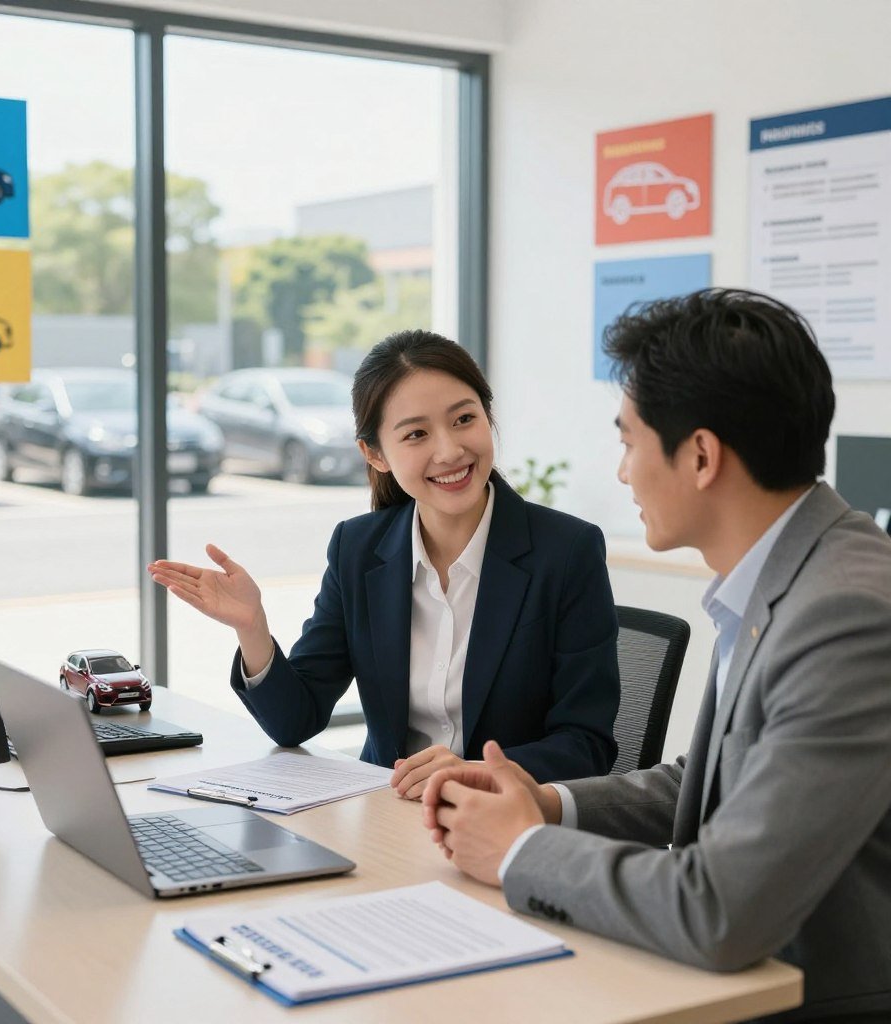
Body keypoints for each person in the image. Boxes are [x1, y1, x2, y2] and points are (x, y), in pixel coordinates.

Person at [421, 289, 891, 1022]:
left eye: (628, 441)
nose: (622, 472)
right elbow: (720, 782)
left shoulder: (847, 612)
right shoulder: (792, 573)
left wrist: (518, 851)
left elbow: (721, 909)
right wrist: (546, 802)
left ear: (700, 455)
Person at [149, 329, 620, 798]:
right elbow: (295, 721)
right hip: (388, 814)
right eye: (416, 433)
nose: (450, 450)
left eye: (463, 419)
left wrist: (474, 769)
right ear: (374, 453)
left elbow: (586, 746)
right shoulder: (358, 549)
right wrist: (252, 628)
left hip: (504, 821)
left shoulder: (567, 551)